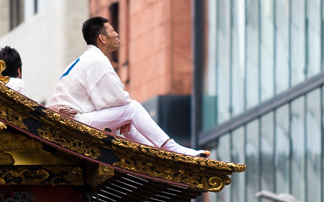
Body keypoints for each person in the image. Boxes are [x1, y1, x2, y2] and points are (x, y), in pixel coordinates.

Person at [48, 16, 208, 157]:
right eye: (112, 30)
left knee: (126, 116)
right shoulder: (96, 59)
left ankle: (155, 153)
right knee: (132, 108)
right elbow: (120, 99)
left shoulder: (85, 59)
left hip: (67, 122)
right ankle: (174, 150)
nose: (117, 34)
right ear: (102, 39)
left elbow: (111, 103)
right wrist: (121, 116)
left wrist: (120, 118)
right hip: (74, 122)